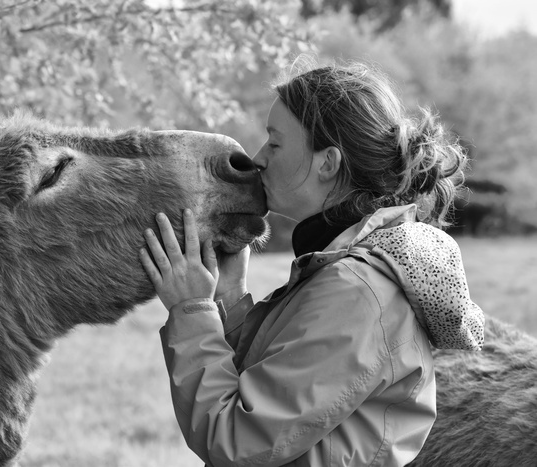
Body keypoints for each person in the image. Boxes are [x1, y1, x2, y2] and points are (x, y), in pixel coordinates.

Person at [138, 59, 485, 467]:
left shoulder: (356, 292)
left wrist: (191, 311)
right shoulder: (345, 271)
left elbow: (237, 439)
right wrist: (228, 301)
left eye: (275, 142)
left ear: (328, 163)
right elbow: (273, 397)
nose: (258, 157)